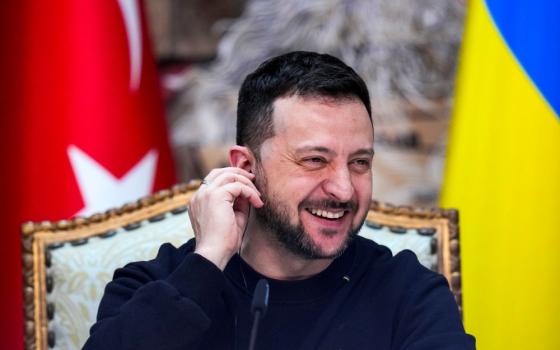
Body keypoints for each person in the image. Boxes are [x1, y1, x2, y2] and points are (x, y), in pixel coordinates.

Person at [84, 51, 476, 350]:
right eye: (314, 160)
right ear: (245, 167)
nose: (343, 189)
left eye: (359, 163)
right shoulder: (156, 285)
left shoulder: (409, 293)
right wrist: (207, 261)